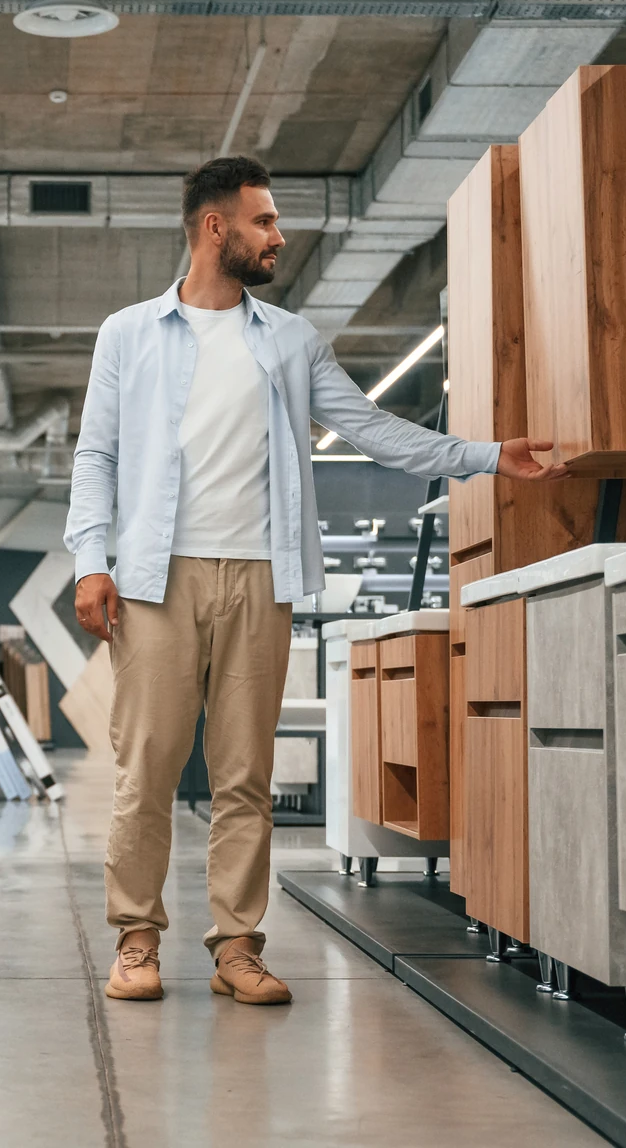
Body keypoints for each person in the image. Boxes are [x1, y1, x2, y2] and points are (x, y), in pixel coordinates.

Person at [64, 155, 567, 1005]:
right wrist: (90, 561)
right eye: (264, 220)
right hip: (154, 579)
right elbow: (96, 455)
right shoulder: (129, 334)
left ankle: (236, 948)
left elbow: (372, 430)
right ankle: (137, 941)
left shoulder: (291, 340)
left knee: (244, 776)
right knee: (145, 767)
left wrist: (486, 457)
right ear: (215, 227)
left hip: (262, 578)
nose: (279, 236)